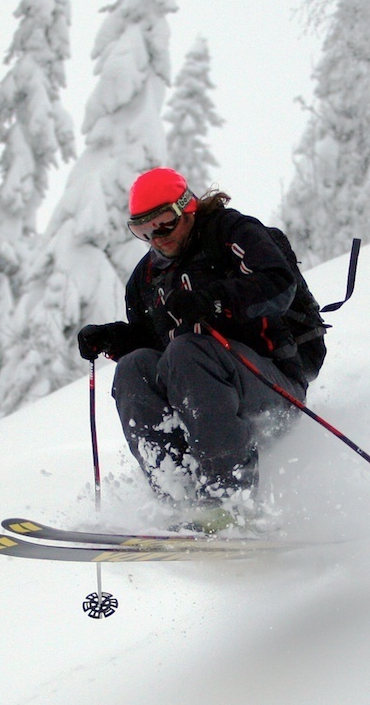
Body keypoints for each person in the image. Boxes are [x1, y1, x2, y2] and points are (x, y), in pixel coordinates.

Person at [77, 167, 308, 519]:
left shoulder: (229, 233)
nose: (156, 238)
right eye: (142, 230)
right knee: (133, 368)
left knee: (189, 352)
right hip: (201, 393)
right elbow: (154, 344)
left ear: (187, 208)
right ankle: (179, 502)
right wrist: (115, 339)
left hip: (272, 385)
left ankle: (228, 502)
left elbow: (279, 284)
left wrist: (215, 300)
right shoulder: (146, 279)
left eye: (165, 223)